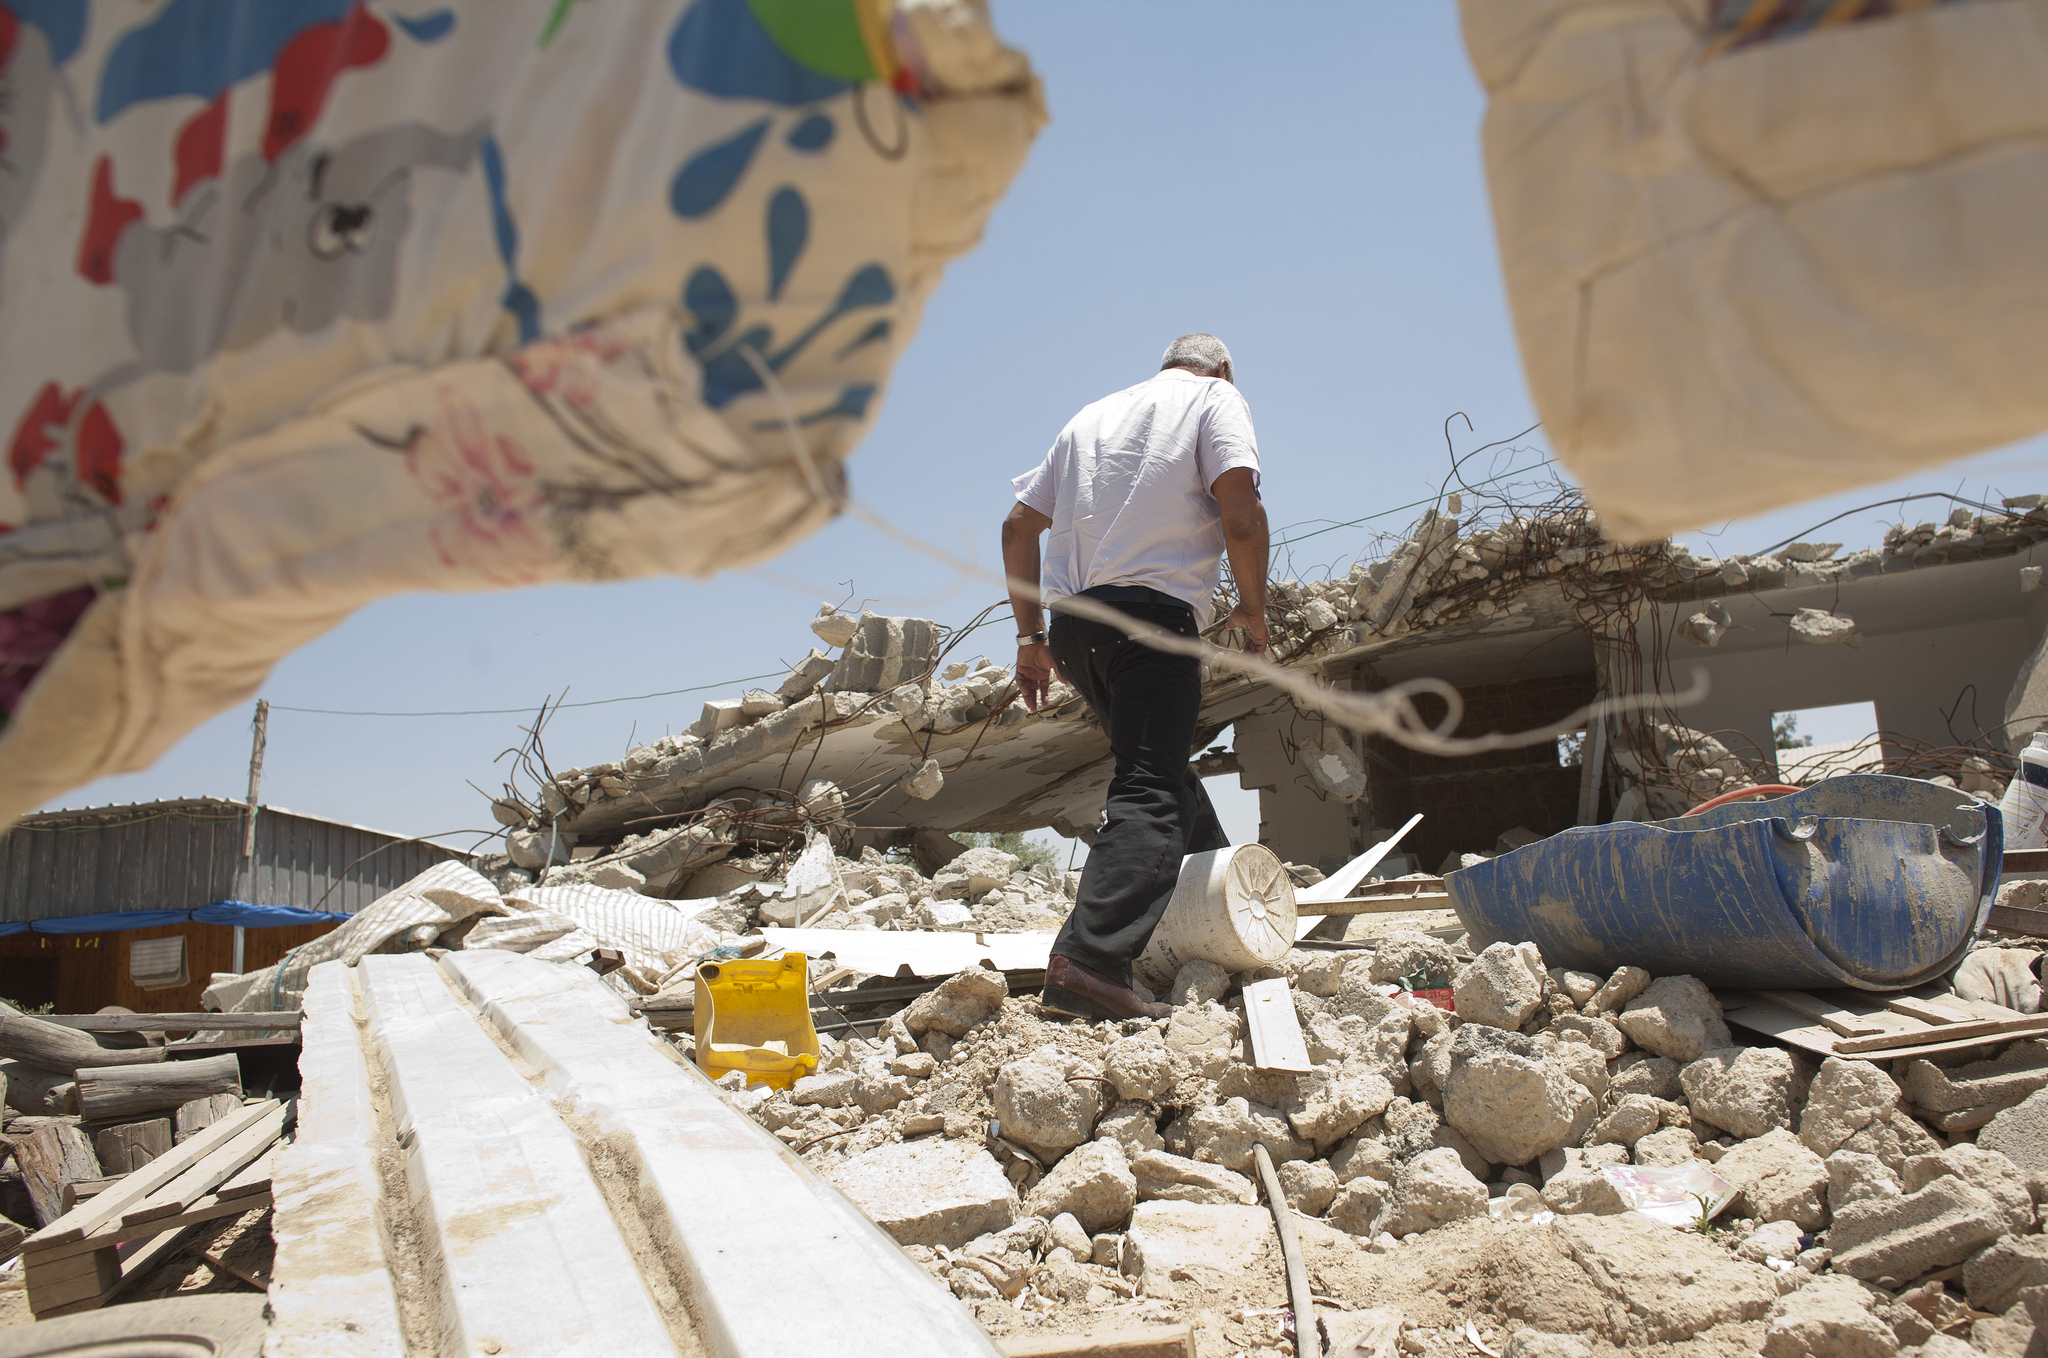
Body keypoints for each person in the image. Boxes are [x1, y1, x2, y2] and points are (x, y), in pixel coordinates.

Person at [1002, 333, 1270, 1021]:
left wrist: (1031, 639)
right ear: (1224, 369)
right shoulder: (1218, 398)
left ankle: (1219, 904)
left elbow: (1015, 528)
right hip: (1151, 621)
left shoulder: (1089, 417)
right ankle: (1088, 966)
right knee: (1150, 790)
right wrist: (1254, 610)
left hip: (1075, 630)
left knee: (1161, 768)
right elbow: (1240, 514)